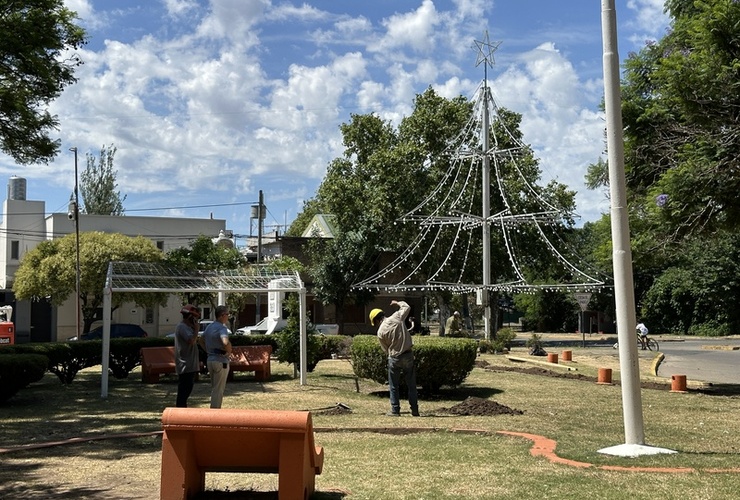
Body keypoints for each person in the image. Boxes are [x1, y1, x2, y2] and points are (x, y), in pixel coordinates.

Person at [369, 300, 419, 417]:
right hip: (408, 355)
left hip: (394, 358)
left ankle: (395, 410)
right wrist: (398, 302)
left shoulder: (380, 332)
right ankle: (415, 410)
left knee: (393, 386)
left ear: (376, 320)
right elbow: (406, 306)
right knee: (411, 385)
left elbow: (385, 349)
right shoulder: (396, 317)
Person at [201, 305, 232, 408]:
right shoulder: (222, 328)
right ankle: (215, 412)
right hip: (221, 361)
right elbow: (225, 341)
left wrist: (208, 351)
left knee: (215, 387)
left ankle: (214, 410)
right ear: (222, 315)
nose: (228, 316)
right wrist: (229, 351)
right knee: (218, 389)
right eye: (227, 314)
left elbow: (201, 340)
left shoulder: (210, 326)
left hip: (210, 360)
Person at [174, 304, 201, 407]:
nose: (196, 321)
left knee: (188, 388)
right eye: (195, 318)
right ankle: (180, 409)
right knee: (184, 389)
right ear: (190, 317)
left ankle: (182, 407)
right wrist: (196, 329)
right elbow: (191, 340)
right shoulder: (182, 327)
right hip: (185, 364)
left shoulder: (188, 328)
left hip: (190, 364)